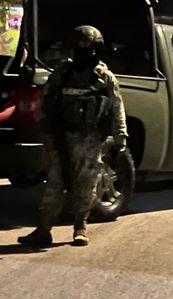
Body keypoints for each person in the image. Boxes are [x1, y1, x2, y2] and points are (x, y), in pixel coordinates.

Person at [19, 25, 125, 249]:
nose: (83, 51)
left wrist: (120, 136)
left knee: (86, 184)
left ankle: (80, 227)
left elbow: (116, 107)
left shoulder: (104, 77)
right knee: (54, 183)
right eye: (79, 46)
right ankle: (43, 230)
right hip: (61, 137)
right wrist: (45, 127)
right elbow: (46, 99)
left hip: (89, 139)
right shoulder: (62, 73)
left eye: (88, 46)